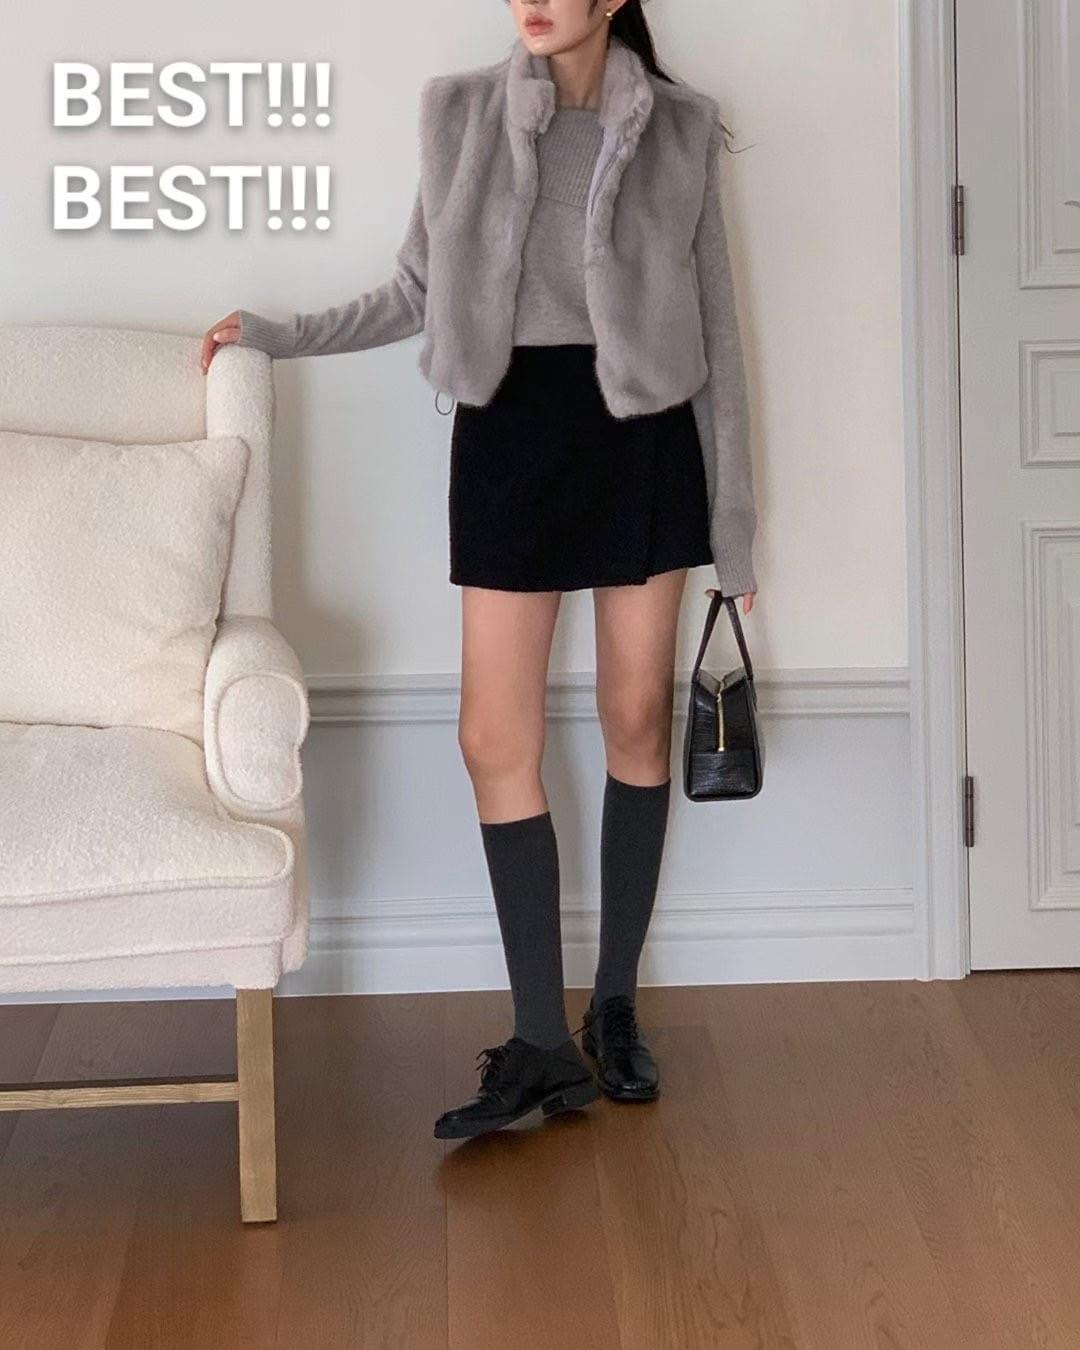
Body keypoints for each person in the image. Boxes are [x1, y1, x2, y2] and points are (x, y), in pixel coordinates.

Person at [202, 0, 758, 1141]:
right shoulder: (459, 116)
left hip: (641, 439)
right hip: (510, 435)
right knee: (491, 735)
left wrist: (736, 530)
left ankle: (613, 1007)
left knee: (636, 717)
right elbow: (417, 288)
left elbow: (720, 337)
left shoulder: (682, 131)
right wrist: (279, 333)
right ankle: (542, 1042)